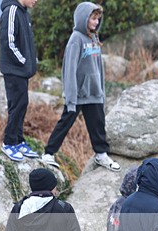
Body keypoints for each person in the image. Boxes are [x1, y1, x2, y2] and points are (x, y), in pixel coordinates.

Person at [41, 2, 120, 172]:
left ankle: (101, 154)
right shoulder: (76, 39)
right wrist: (70, 96)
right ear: (83, 18)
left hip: (94, 92)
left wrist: (101, 91)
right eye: (93, 18)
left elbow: (99, 68)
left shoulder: (94, 38)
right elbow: (69, 70)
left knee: (97, 124)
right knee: (65, 122)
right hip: (77, 94)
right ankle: (48, 153)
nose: (96, 22)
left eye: (98, 18)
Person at [0, 0, 40, 162]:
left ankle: (18, 140)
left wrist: (30, 62)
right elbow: (8, 42)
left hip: (21, 71)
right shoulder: (11, 11)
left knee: (22, 104)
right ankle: (8, 143)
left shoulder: (24, 13)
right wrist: (24, 61)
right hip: (14, 70)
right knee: (17, 105)